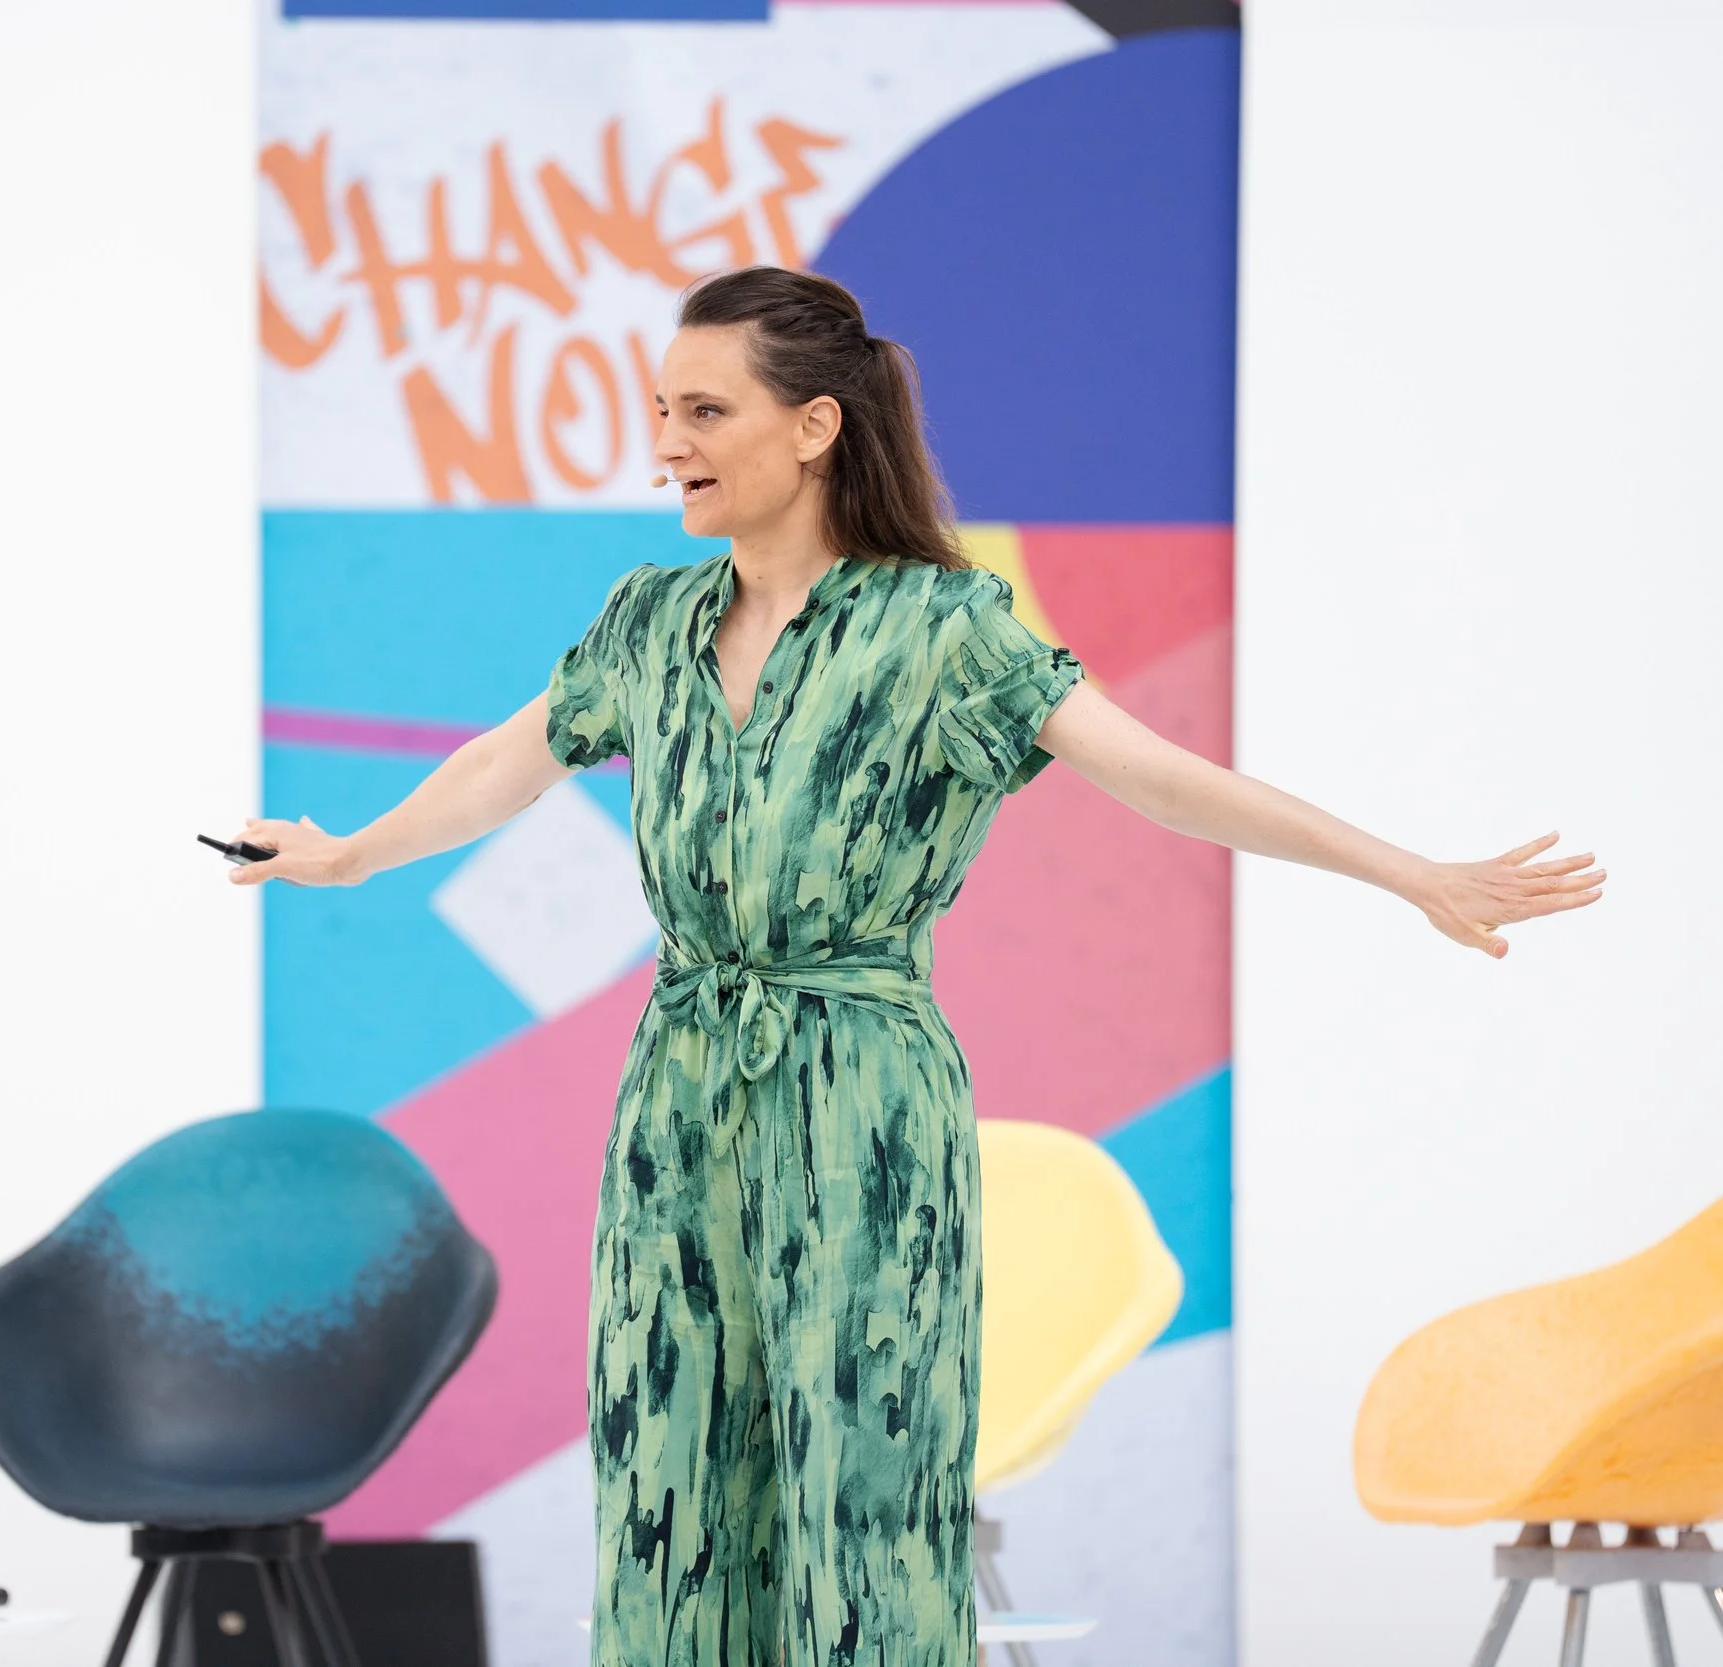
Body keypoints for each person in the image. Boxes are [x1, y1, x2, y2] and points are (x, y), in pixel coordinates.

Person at [218, 265, 1603, 1664]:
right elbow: (500, 765)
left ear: (815, 425)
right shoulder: (648, 620)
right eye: (663, 410)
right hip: (680, 1087)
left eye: (705, 411)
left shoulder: (945, 624)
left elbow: (1163, 780)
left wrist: (1409, 871)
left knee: (861, 1485)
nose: (669, 444)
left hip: (865, 1095)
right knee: (667, 1470)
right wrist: (351, 854)